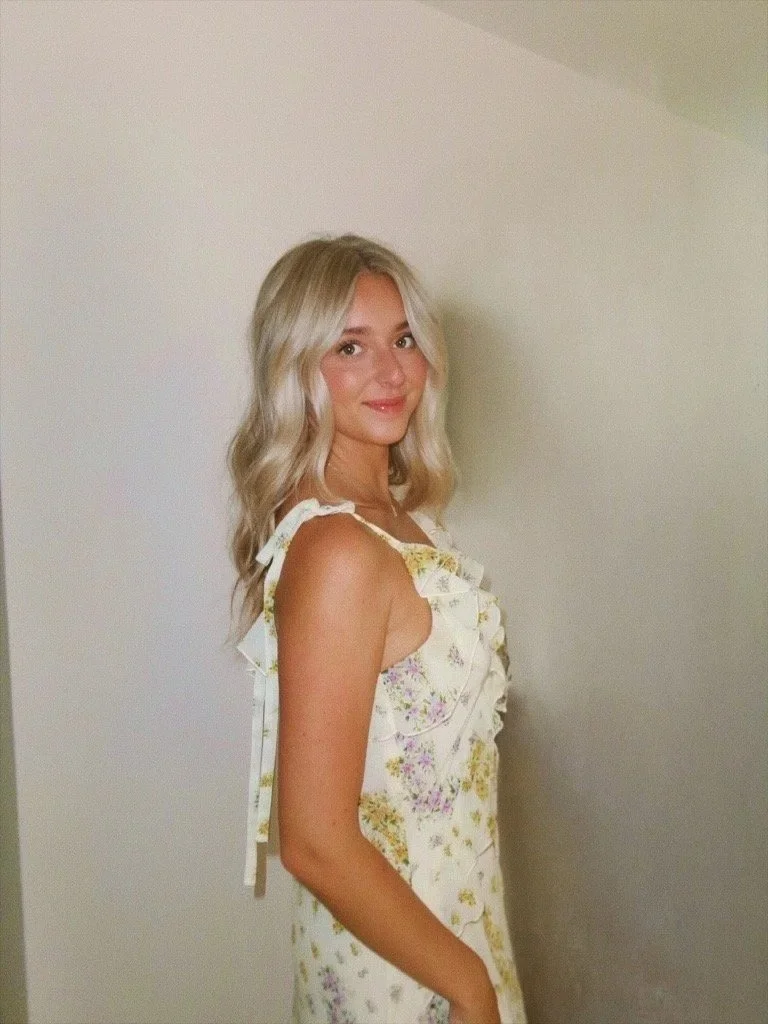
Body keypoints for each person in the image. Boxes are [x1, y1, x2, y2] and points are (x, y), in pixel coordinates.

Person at [228, 235, 526, 1024]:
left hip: (448, 927)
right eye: (351, 347)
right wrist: (469, 987)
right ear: (295, 369)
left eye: (404, 339)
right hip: (406, 971)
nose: (392, 373)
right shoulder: (338, 550)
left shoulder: (392, 522)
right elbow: (315, 841)